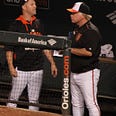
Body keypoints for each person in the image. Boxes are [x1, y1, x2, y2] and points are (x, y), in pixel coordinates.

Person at [5, 0, 57, 111]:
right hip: (21, 69)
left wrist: (52, 63)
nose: (35, 6)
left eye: (35, 4)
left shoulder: (38, 24)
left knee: (34, 101)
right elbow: (9, 49)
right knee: (13, 99)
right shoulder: (16, 24)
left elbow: (45, 45)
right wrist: (10, 66)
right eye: (32, 4)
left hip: (37, 69)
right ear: (24, 7)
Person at [67, 2, 102, 116]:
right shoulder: (77, 28)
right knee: (76, 104)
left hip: (88, 73)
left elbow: (88, 52)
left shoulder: (91, 30)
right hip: (74, 72)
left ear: (82, 15)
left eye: (74, 13)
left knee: (91, 104)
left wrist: (69, 49)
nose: (71, 15)